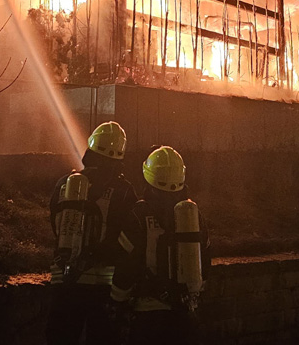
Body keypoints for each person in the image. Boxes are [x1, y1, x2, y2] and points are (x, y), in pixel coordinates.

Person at [47, 121, 138, 345]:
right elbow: (132, 237)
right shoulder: (125, 191)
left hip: (65, 281)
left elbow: (56, 225)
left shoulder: (64, 184)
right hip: (104, 287)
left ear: (91, 149)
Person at [111, 146, 210, 345]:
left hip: (148, 316)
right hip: (185, 314)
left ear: (149, 175)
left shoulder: (139, 214)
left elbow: (125, 266)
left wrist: (116, 302)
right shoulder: (193, 215)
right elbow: (205, 261)